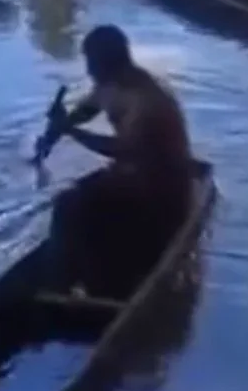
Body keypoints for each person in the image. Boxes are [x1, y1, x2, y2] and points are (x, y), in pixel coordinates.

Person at [36, 24, 193, 294]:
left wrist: (68, 130)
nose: (87, 70)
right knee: (78, 201)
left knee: (67, 205)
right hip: (135, 179)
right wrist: (57, 130)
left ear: (104, 63)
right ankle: (76, 275)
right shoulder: (111, 84)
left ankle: (69, 287)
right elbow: (87, 109)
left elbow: (122, 149)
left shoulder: (147, 102)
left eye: (89, 62)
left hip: (161, 195)